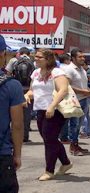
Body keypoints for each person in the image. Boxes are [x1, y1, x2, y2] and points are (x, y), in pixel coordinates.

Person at [0, 35, 38, 193]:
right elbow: (17, 124)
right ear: (3, 54)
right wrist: (18, 154)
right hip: (1, 156)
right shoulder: (10, 85)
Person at [23, 49, 73, 181]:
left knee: (49, 140)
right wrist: (27, 95)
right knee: (49, 139)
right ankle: (66, 163)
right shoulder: (35, 73)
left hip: (55, 110)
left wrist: (52, 105)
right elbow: (32, 90)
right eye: (35, 56)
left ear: (48, 59)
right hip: (40, 109)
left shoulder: (57, 72)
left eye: (39, 57)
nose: (36, 59)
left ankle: (49, 170)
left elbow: (63, 90)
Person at [61, 48, 90, 156]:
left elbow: (82, 84)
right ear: (73, 58)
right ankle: (73, 147)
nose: (82, 58)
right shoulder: (69, 70)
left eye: (83, 57)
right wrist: (82, 91)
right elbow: (67, 86)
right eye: (80, 57)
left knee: (79, 125)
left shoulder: (82, 70)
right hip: (75, 100)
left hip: (84, 100)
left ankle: (75, 144)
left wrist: (87, 90)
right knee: (74, 124)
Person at [7, 47, 34, 143]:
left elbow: (8, 73)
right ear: (29, 54)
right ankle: (25, 136)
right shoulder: (33, 62)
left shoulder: (14, 61)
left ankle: (11, 135)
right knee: (27, 114)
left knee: (13, 113)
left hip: (16, 88)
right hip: (29, 89)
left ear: (20, 53)